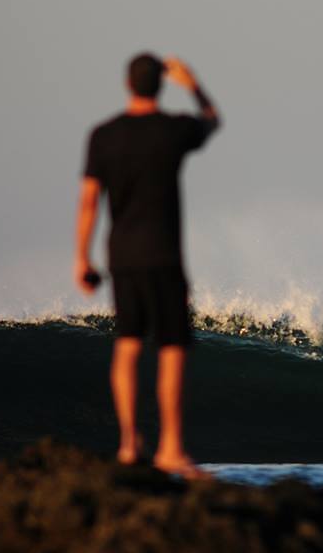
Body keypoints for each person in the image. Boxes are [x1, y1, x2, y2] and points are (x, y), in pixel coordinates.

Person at [74, 52, 220, 479]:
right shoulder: (173, 131)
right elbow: (212, 120)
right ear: (160, 84)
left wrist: (82, 257)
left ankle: (127, 445)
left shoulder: (102, 135)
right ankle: (170, 448)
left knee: (127, 345)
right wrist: (192, 83)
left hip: (122, 256)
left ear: (127, 85)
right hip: (164, 256)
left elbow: (88, 201)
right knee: (172, 349)